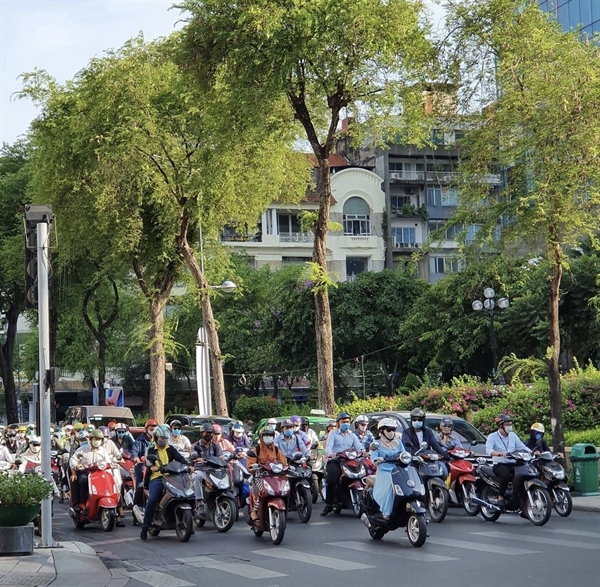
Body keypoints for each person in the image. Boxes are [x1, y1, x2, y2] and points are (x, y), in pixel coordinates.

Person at [139, 424, 190, 541]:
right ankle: (145, 527)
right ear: (157, 438)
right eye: (162, 439)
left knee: (185, 494)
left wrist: (188, 465)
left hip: (171, 476)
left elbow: (180, 458)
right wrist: (152, 467)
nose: (164, 441)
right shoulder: (150, 449)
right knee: (152, 500)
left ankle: (187, 522)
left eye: (166, 439)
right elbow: (148, 462)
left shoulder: (170, 448)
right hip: (157, 477)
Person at [485, 414, 535, 507]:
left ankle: (517, 497)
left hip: (513, 463)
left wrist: (532, 452)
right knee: (505, 475)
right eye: (507, 424)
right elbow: (488, 450)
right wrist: (497, 453)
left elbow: (522, 447)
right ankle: (500, 497)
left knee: (523, 473)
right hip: (500, 464)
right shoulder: (492, 436)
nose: (510, 427)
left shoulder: (513, 436)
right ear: (501, 426)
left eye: (510, 424)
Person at [321, 412, 364, 516]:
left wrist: (364, 452)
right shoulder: (333, 434)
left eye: (348, 422)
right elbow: (329, 446)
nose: (346, 424)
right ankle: (329, 503)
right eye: (343, 422)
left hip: (349, 460)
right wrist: (331, 454)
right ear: (338, 423)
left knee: (362, 474)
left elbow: (359, 447)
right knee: (332, 479)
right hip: (336, 460)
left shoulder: (352, 435)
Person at [247, 428, 287, 521]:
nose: (268, 437)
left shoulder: (276, 450)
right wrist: (253, 466)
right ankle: (254, 511)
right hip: (260, 476)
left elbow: (284, 462)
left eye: (270, 436)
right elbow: (249, 465)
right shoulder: (256, 449)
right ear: (261, 437)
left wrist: (286, 467)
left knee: (283, 488)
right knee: (261, 492)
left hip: (274, 476)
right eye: (266, 435)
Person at [370, 418, 405, 519]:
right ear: (381, 431)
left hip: (398, 470)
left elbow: (404, 453)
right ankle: (386, 512)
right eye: (389, 430)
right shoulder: (376, 444)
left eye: (393, 429)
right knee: (392, 486)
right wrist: (378, 459)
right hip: (384, 471)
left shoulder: (398, 442)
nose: (391, 432)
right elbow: (373, 459)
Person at [69, 429, 113, 510]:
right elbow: (73, 460)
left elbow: (108, 462)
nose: (97, 441)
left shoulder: (103, 451)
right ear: (90, 439)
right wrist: (76, 467)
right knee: (83, 480)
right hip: (86, 473)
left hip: (99, 473)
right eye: (95, 439)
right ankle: (82, 503)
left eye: (99, 439)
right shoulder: (82, 450)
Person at [131, 419, 158, 525]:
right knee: (140, 487)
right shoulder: (139, 441)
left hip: (156, 468)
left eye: (154, 428)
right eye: (151, 428)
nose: (153, 430)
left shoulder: (158, 440)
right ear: (146, 429)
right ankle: (135, 515)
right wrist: (136, 458)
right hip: (142, 468)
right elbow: (134, 452)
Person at [191, 423, 223, 516]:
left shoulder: (215, 445)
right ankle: (199, 503)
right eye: (206, 433)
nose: (209, 435)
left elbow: (221, 458)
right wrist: (197, 458)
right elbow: (193, 456)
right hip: (200, 470)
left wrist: (223, 461)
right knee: (196, 476)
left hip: (212, 470)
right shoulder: (195, 445)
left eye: (211, 433)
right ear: (201, 433)